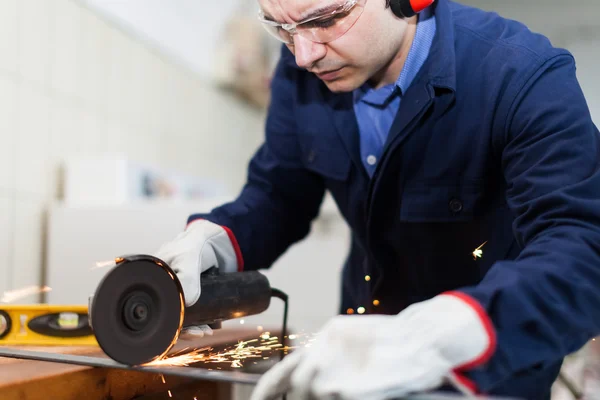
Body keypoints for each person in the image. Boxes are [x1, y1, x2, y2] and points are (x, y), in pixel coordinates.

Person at [153, 0, 600, 398]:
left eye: (325, 20)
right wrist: (215, 239)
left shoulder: (519, 73)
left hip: (484, 371)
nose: (304, 55)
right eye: (280, 28)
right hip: (355, 360)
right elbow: (279, 193)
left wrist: (447, 337)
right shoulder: (301, 74)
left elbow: (583, 250)